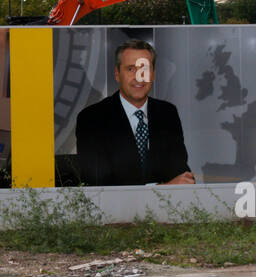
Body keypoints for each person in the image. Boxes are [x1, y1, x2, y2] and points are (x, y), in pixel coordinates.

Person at [71, 40, 194, 186]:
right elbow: (97, 184)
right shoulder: (92, 118)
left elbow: (181, 175)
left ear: (153, 74)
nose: (139, 76)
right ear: (117, 74)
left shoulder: (167, 113)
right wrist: (162, 188)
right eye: (131, 69)